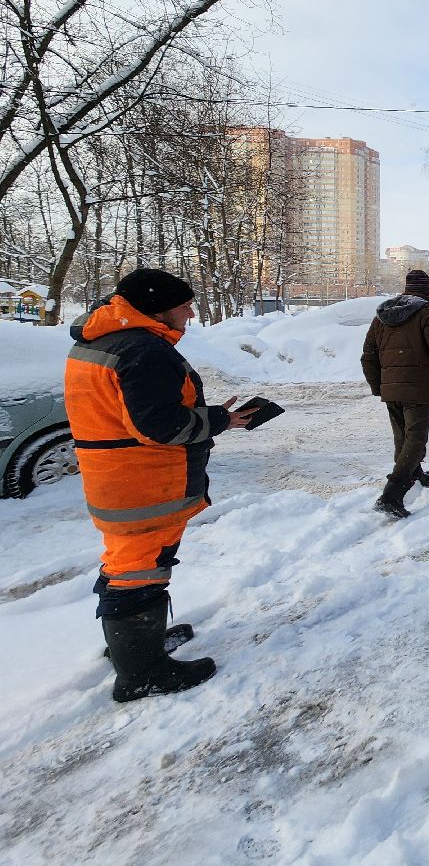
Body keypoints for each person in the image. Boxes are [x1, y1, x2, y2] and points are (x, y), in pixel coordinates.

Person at [64, 268, 255, 703]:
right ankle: (141, 673)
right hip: (144, 480)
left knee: (125, 562)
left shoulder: (105, 339)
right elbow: (159, 424)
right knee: (139, 569)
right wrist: (221, 420)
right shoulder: (142, 349)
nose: (190, 312)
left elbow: (131, 411)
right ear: (158, 308)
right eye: (184, 304)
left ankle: (133, 648)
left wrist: (204, 413)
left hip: (119, 475)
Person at [361, 269, 429, 519]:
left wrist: (378, 386)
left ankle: (415, 475)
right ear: (427, 291)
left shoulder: (382, 317)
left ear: (406, 290)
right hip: (419, 388)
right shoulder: (428, 314)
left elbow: (368, 356)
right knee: (415, 441)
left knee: (403, 438)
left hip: (391, 389)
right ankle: (391, 495)